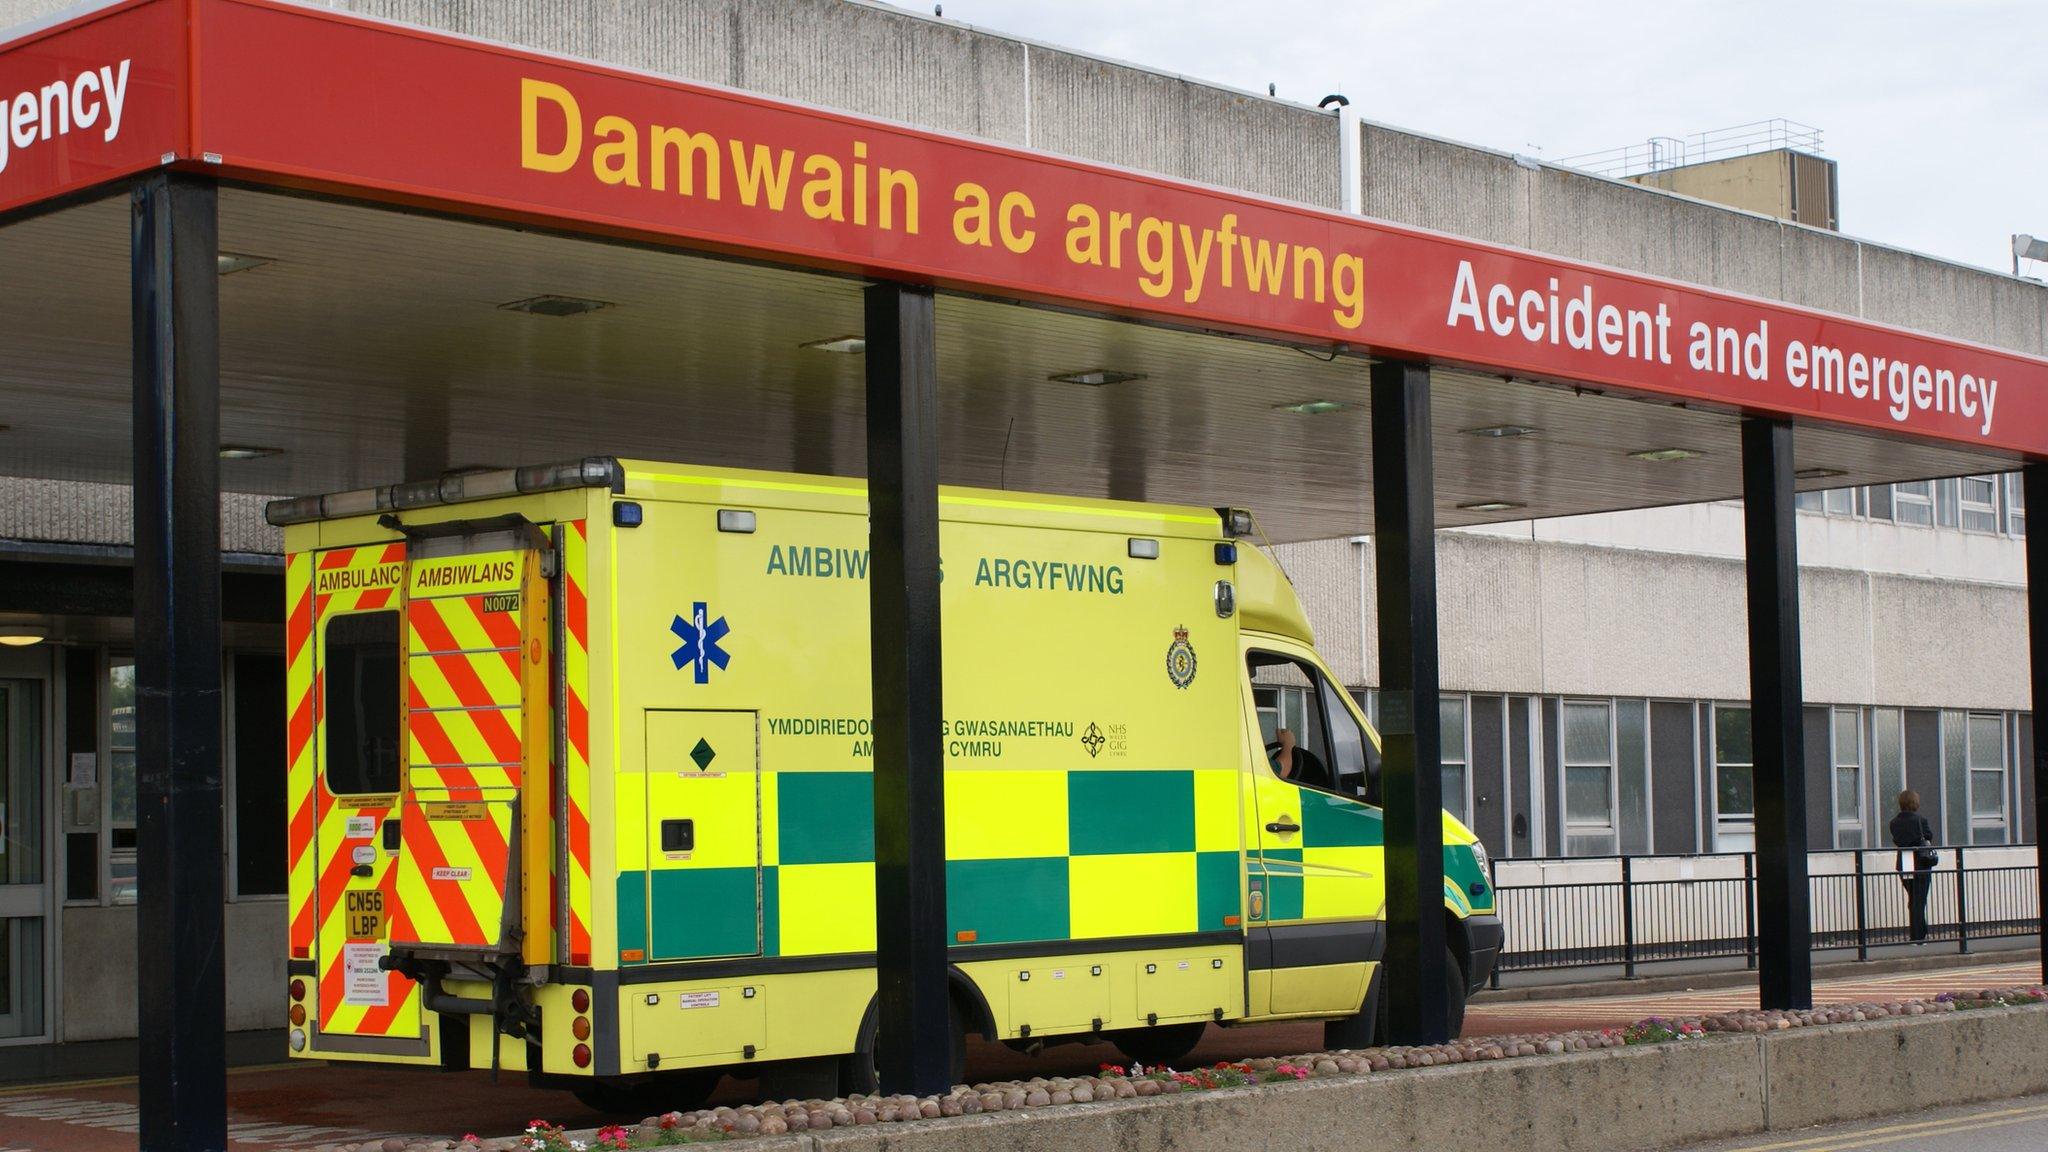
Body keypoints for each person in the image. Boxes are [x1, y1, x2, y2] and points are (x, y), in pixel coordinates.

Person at [1889, 790, 1937, 943]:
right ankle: (1918, 936)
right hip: (1921, 864)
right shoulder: (1920, 820)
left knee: (1913, 899)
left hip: (1904, 863)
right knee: (1919, 900)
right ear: (1915, 802)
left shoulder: (1894, 822)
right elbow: (1928, 836)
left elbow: (1897, 840)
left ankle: (1917, 934)